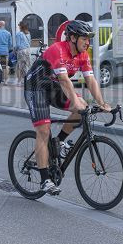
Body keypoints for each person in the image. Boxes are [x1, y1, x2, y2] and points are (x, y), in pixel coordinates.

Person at [24, 20, 111, 195]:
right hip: (36, 87)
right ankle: (45, 180)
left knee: (83, 109)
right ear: (72, 37)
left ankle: (60, 140)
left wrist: (102, 103)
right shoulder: (58, 49)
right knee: (44, 130)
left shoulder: (83, 55)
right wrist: (75, 101)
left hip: (53, 88)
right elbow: (64, 80)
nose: (88, 42)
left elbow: (91, 80)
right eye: (84, 38)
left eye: (89, 39)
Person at [15, 20, 31, 85]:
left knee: (20, 66)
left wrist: (14, 49)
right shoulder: (28, 33)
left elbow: (18, 45)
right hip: (28, 50)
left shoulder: (19, 34)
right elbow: (29, 42)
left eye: (19, 25)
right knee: (27, 66)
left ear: (21, 26)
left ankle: (19, 81)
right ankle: (28, 80)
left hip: (21, 51)